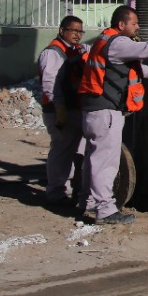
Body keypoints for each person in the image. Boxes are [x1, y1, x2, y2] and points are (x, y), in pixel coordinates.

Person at [78, 5, 148, 225]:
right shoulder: (119, 43)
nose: (137, 27)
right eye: (134, 23)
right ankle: (105, 210)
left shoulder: (106, 41)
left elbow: (134, 69)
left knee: (94, 159)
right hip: (106, 111)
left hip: (94, 110)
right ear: (121, 25)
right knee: (106, 162)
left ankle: (88, 202)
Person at [38, 15, 88, 209]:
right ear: (62, 31)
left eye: (80, 31)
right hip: (59, 111)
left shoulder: (74, 51)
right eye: (73, 31)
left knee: (77, 152)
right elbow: (50, 83)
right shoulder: (53, 53)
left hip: (75, 109)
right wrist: (59, 108)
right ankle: (56, 192)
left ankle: (74, 190)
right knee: (62, 152)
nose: (77, 35)